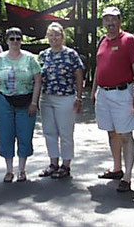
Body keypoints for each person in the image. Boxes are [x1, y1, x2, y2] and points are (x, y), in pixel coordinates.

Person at [91, 6, 134, 192]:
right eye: (106, 19)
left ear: (120, 20)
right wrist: (94, 90)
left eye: (113, 19)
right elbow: (99, 66)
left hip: (123, 93)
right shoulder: (103, 41)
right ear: (103, 22)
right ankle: (117, 168)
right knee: (111, 132)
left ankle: (127, 177)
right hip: (104, 94)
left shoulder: (128, 40)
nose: (110, 23)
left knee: (126, 135)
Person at [0, 27, 41, 182]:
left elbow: (38, 80)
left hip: (26, 100)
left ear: (21, 40)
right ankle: (9, 170)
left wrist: (34, 102)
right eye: (11, 38)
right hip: (4, 99)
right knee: (5, 134)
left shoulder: (30, 59)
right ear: (6, 41)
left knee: (25, 134)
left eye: (18, 38)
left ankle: (22, 169)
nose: (15, 41)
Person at [38, 22, 84, 179]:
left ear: (62, 36)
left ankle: (66, 165)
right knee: (49, 132)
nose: (54, 38)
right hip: (47, 97)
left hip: (65, 97)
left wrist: (79, 96)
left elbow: (79, 75)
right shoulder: (44, 55)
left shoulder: (71, 54)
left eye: (57, 35)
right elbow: (38, 78)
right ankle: (53, 163)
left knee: (65, 133)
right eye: (51, 35)